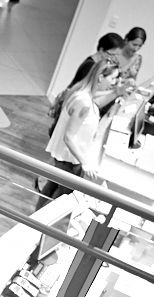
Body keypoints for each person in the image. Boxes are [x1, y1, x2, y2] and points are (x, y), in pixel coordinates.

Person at [39, 59, 119, 205]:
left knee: (52, 188)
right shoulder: (84, 101)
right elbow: (68, 137)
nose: (114, 82)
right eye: (113, 78)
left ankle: (34, 221)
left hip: (68, 157)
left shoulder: (82, 94)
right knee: (61, 200)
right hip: (71, 159)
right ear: (101, 77)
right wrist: (85, 163)